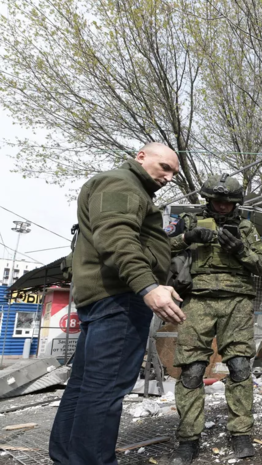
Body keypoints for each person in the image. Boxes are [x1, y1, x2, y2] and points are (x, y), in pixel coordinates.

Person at [50, 142, 185, 465]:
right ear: (141, 156)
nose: (168, 177)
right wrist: (148, 286)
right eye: (164, 167)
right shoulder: (122, 184)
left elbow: (126, 238)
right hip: (120, 297)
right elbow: (117, 239)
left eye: (174, 174)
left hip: (106, 296)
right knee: (105, 389)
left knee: (85, 385)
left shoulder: (127, 188)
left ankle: (66, 457)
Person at [168, 174, 262, 464]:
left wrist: (240, 250)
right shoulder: (189, 222)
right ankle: (188, 439)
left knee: (239, 366)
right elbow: (160, 249)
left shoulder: (247, 227)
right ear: (208, 199)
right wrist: (187, 238)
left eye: (228, 202)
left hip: (237, 300)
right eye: (217, 201)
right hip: (197, 298)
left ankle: (241, 434)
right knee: (191, 370)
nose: (222, 206)